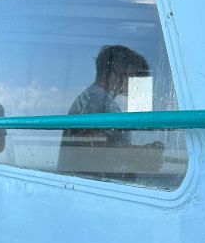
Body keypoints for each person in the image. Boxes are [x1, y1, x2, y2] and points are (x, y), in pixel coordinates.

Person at [57, 44, 158, 178]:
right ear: (118, 71)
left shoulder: (99, 99)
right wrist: (140, 155)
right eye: (135, 75)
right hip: (89, 185)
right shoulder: (95, 101)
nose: (137, 82)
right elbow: (95, 148)